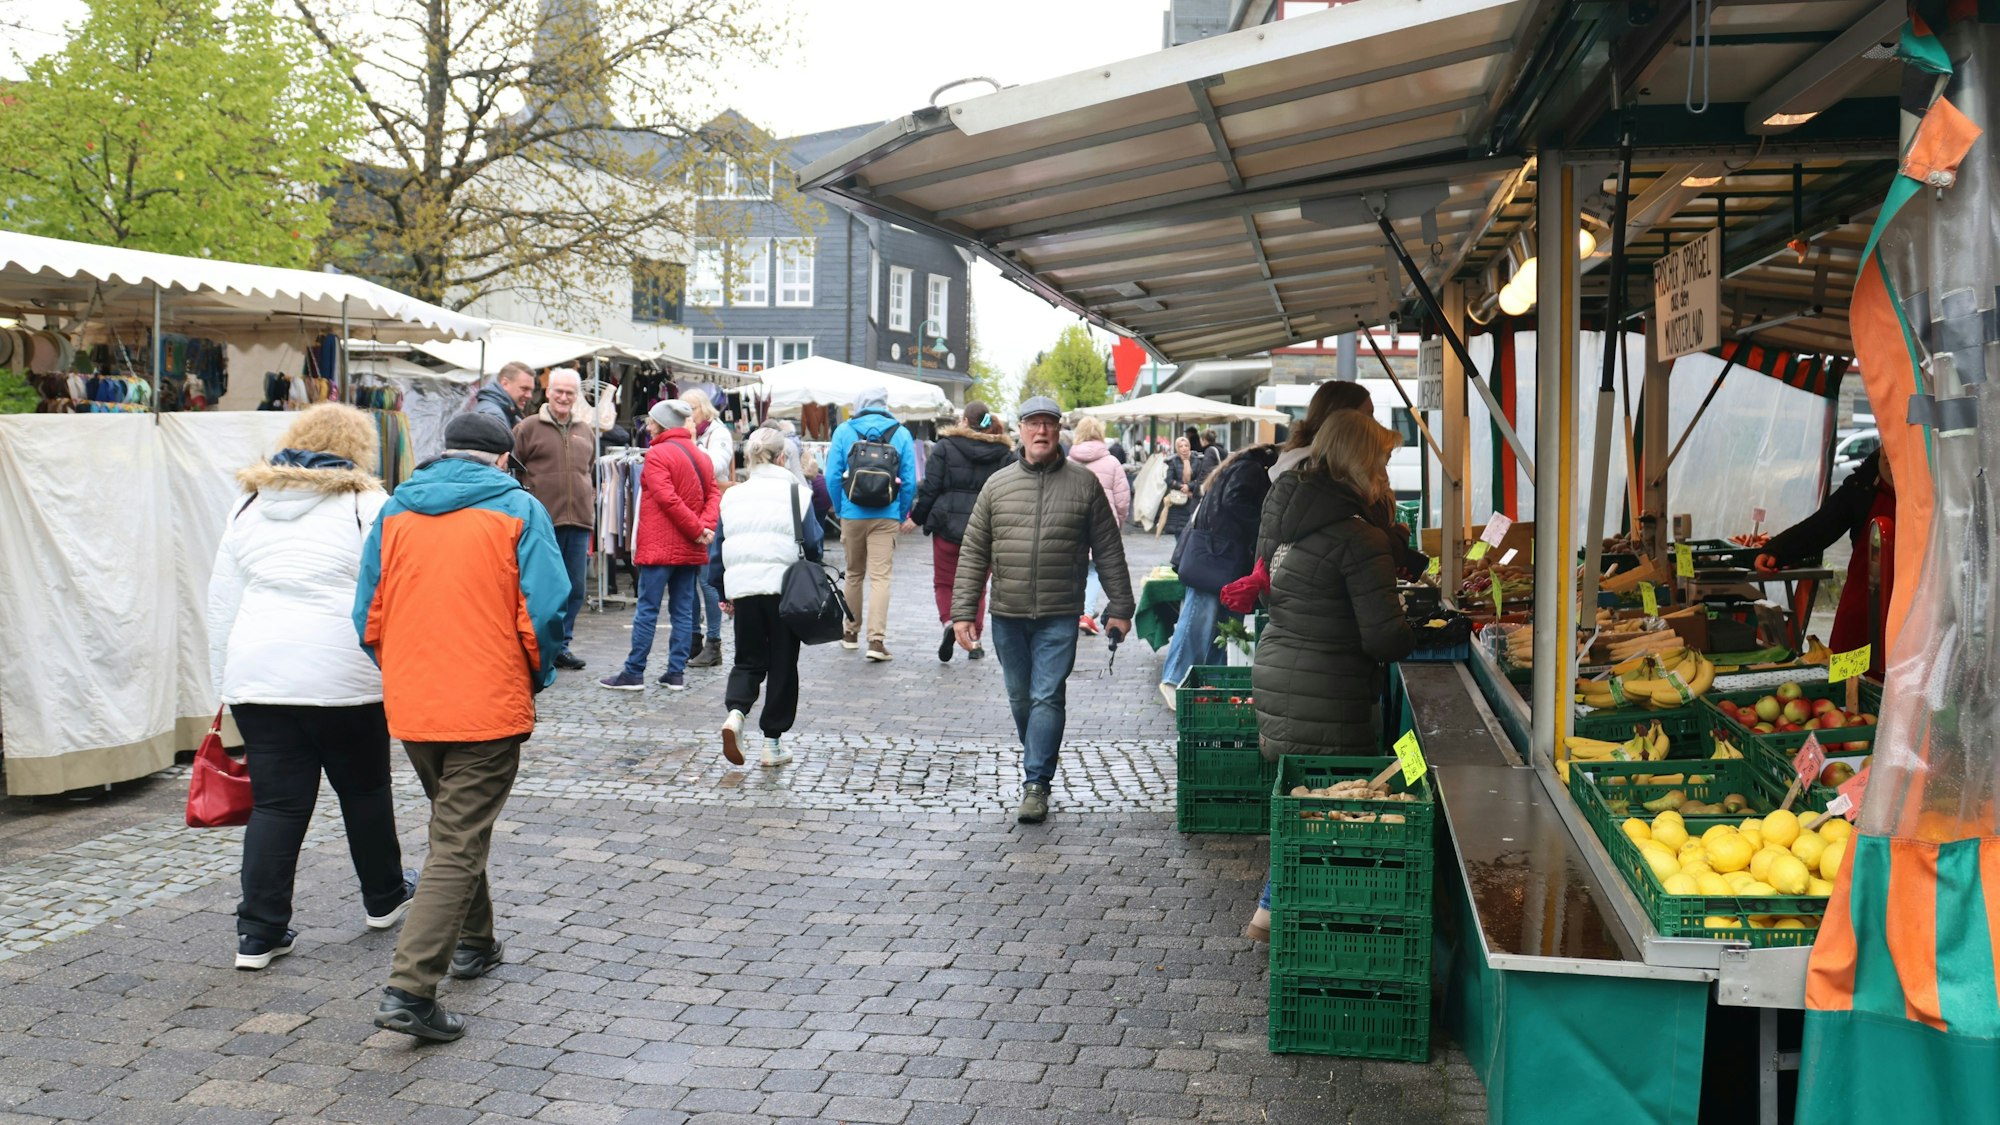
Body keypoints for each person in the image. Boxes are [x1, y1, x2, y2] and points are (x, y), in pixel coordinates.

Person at [352, 411, 568, 1041]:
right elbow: (548, 608)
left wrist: (401, 669)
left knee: (456, 824)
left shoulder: (395, 511)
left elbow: (369, 611)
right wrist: (534, 671)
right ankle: (411, 989)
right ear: (504, 459)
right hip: (486, 698)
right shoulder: (519, 511)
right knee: (456, 839)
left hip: (417, 699)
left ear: (443, 453)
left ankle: (476, 940)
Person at [208, 403, 414, 972]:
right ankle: (384, 896)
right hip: (343, 675)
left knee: (276, 805)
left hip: (258, 674)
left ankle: (258, 932)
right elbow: (390, 595)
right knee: (365, 790)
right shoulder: (367, 505)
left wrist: (223, 682)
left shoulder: (248, 504)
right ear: (361, 449)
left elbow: (222, 599)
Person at [1243, 410, 1417, 941]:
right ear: (1360, 463)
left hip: (1286, 676)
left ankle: (1275, 912)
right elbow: (1383, 638)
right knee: (1333, 807)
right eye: (1382, 462)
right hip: (1326, 690)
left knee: (1312, 802)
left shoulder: (1299, 515)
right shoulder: (1357, 536)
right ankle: (1293, 918)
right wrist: (1423, 630)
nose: (1386, 475)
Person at [952, 396, 1135, 824]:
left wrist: (1120, 606)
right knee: (1020, 698)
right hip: (1008, 613)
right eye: (1033, 424)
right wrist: (964, 612)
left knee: (1046, 695)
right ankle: (1038, 755)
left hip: (1059, 611)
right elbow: (974, 552)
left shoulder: (1084, 484)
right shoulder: (997, 485)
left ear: (1058, 431)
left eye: (1048, 425)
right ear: (1020, 430)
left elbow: (1108, 549)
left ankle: (1036, 782)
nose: (1040, 432)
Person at [709, 428, 821, 769]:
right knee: (783, 664)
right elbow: (814, 543)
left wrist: (723, 590)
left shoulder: (732, 496)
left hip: (744, 588)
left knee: (747, 659)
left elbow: (719, 549)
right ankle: (772, 743)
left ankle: (736, 714)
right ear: (783, 457)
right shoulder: (797, 494)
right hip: (786, 590)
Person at [599, 399, 718, 691]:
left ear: (662, 424)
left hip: (661, 547)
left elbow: (667, 499)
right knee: (682, 611)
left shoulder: (656, 455)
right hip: (691, 548)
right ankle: (675, 673)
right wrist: (704, 527)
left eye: (651, 421)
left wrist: (696, 528)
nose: (648, 426)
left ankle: (634, 672)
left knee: (648, 609)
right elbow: (714, 493)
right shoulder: (702, 456)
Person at [1157, 442, 1282, 709]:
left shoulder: (1240, 466)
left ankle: (1212, 686)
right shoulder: (1249, 469)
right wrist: (1263, 525)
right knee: (1200, 617)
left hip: (1218, 555)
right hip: (1216, 555)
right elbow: (1235, 501)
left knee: (1221, 624)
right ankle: (1175, 679)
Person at [1755, 450, 1894, 669]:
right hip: (1861, 608)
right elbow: (1822, 525)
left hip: (1910, 614)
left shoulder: (1936, 490)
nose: (1890, 455)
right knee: (1847, 683)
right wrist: (1777, 551)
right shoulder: (1864, 483)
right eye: (1886, 447)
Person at [1271, 381, 1427, 575]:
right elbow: (1352, 538)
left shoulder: (1303, 469)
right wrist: (1398, 539)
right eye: (1368, 415)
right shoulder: (1321, 473)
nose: (1374, 423)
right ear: (1345, 420)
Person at [911, 401, 1016, 663]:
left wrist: (917, 517)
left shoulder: (945, 447)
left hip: (947, 526)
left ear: (965, 421)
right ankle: (974, 639)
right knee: (978, 586)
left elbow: (930, 487)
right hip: (985, 528)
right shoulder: (1004, 454)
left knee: (945, 582)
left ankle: (949, 622)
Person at [825, 386, 918, 661]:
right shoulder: (901, 433)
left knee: (853, 574)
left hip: (852, 513)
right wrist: (900, 514)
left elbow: (831, 475)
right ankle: (876, 642)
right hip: (886, 513)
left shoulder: (844, 430)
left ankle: (850, 633)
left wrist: (841, 509)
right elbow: (910, 480)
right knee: (881, 577)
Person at [511, 368, 595, 671]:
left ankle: (562, 645)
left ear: (576, 396)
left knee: (575, 588)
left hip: (579, 520)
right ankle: (537, 645)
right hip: (542, 521)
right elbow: (513, 470)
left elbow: (588, 470)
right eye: (558, 391)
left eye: (569, 393)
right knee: (544, 587)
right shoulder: (527, 428)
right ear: (548, 392)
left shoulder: (585, 430)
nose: (563, 397)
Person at [681, 389, 733, 669]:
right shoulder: (688, 434)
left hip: (711, 511)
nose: (688, 415)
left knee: (706, 579)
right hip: (687, 512)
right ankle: (692, 639)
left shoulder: (718, 434)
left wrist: (690, 444)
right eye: (683, 410)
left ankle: (713, 643)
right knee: (687, 580)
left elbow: (714, 467)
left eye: (692, 409)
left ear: (704, 409)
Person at [1068, 416, 1132, 633]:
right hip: (1103, 525)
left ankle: (1073, 612)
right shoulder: (1112, 462)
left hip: (1072, 523)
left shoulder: (1068, 461)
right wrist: (1119, 522)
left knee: (1075, 570)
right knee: (1095, 570)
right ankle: (1086, 614)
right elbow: (1123, 499)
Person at [1162, 435, 1211, 538]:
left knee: (1191, 531)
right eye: (1181, 446)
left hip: (1192, 499)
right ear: (1177, 448)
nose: (1184, 448)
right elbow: (1169, 480)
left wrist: (1189, 486)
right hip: (1177, 501)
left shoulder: (1198, 460)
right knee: (1178, 533)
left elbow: (1201, 479)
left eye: (1186, 445)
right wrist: (1181, 487)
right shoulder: (1173, 461)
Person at [473, 361, 534, 429]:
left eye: (531, 390)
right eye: (524, 388)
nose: (529, 395)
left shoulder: (504, 413)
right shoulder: (493, 416)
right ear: (505, 384)